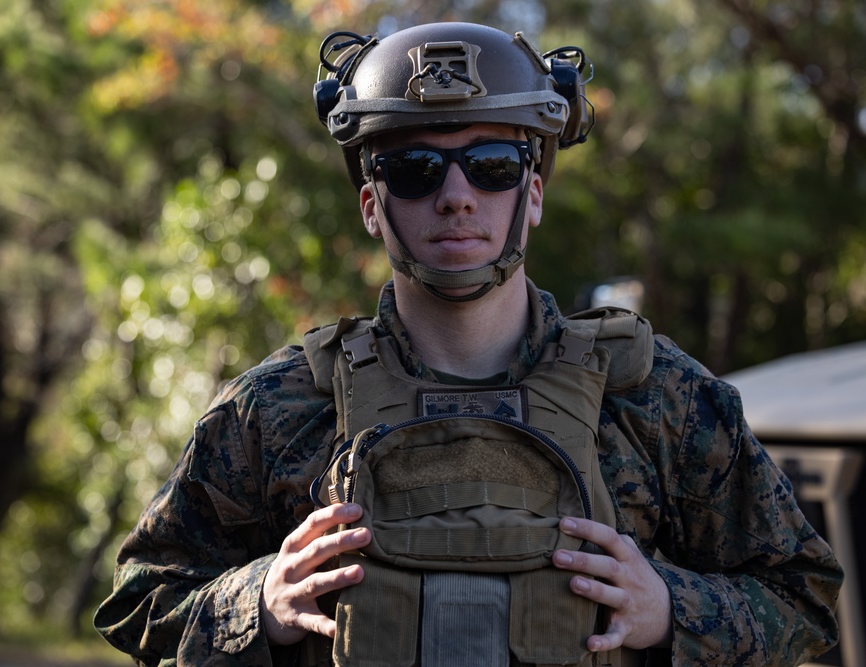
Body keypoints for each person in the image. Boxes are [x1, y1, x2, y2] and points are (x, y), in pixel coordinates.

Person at [94, 21, 842, 667]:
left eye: (491, 166)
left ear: (534, 194)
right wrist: (256, 600)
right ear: (371, 206)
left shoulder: (654, 396)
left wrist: (673, 608)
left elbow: (805, 600)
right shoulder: (284, 404)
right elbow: (140, 599)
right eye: (415, 170)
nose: (456, 195)